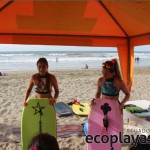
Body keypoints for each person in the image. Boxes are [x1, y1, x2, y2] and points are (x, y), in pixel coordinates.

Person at [89, 58, 130, 150]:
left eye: (106, 74)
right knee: (101, 129)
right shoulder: (100, 80)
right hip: (102, 108)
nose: (104, 75)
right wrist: (95, 101)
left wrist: (122, 103)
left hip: (115, 109)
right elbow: (98, 93)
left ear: (113, 72)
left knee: (114, 130)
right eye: (103, 73)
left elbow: (127, 94)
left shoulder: (118, 82)